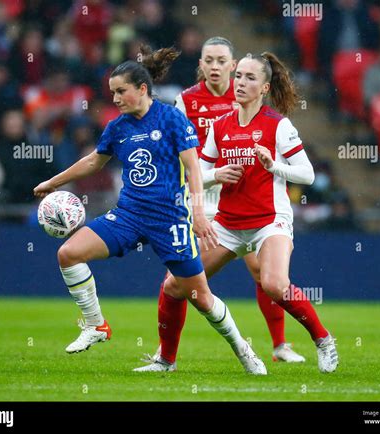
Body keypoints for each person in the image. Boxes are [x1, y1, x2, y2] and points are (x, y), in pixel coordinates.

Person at [33, 46, 266, 375]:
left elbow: (193, 169)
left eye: (120, 91)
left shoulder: (171, 118)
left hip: (170, 219)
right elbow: (92, 162)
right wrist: (54, 182)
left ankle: (242, 348)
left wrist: (198, 213)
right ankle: (96, 325)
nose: (114, 99)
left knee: (200, 297)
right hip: (127, 215)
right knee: (68, 253)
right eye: (112, 92)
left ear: (141, 89)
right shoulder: (117, 127)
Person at [138, 51, 339, 373]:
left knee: (274, 284)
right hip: (227, 224)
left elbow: (308, 174)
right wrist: (215, 175)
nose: (241, 83)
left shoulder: (278, 125)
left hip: (269, 221)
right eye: (239, 76)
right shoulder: (221, 126)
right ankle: (166, 361)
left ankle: (323, 339)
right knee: (175, 285)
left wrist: (274, 166)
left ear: (264, 88)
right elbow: (196, 174)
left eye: (250, 78)